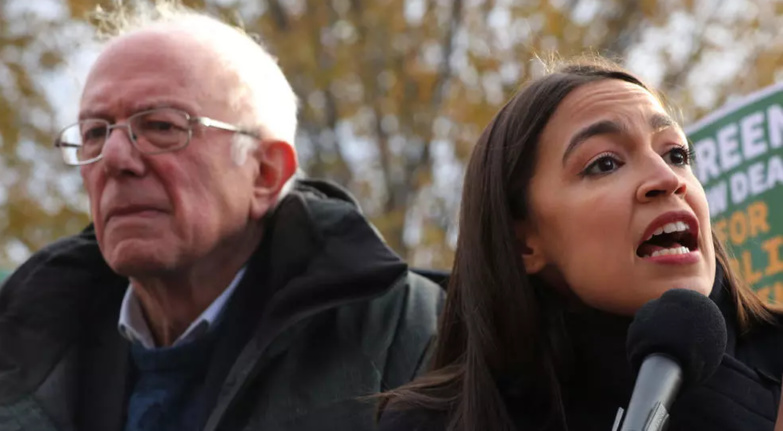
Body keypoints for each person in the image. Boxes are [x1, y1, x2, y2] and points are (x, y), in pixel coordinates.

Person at [0, 3, 444, 431]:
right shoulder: (21, 344)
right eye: (95, 132)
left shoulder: (416, 337)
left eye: (161, 126)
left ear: (266, 173)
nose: (114, 158)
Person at [377, 58, 783, 431]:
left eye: (677, 154)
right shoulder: (437, 422)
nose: (667, 178)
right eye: (605, 163)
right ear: (523, 244)